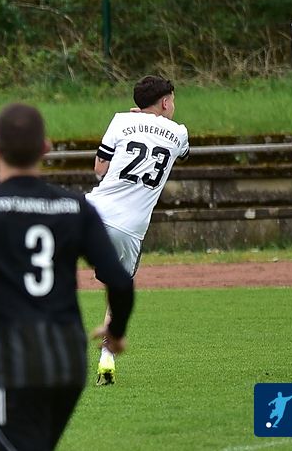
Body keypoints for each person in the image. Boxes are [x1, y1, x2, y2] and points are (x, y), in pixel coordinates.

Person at [0, 103, 134, 451]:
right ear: (45, 148)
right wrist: (116, 332)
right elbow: (120, 281)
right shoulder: (75, 207)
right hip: (69, 360)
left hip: (16, 360)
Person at [86, 75, 189, 385]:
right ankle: (107, 357)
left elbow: (99, 169)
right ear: (166, 102)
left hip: (94, 213)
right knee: (116, 290)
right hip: (130, 228)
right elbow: (181, 152)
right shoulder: (179, 133)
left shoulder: (120, 121)